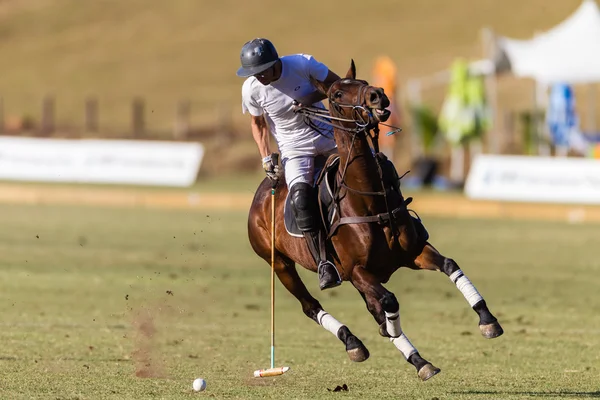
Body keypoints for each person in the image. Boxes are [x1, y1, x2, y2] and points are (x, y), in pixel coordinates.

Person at [236, 38, 342, 290]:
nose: (258, 77)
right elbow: (258, 124)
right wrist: (266, 156)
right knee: (300, 198)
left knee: (370, 167)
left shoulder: (302, 64)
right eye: (253, 73)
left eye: (261, 71)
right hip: (294, 149)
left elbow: (337, 87)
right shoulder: (251, 89)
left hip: (328, 136)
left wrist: (308, 98)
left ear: (275, 64)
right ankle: (324, 263)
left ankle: (405, 223)